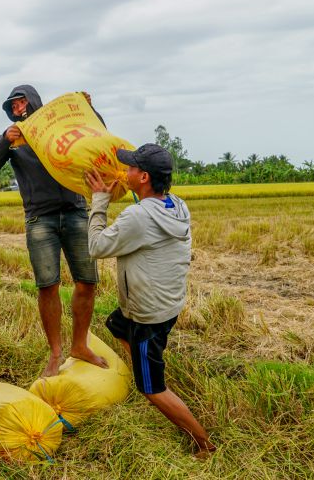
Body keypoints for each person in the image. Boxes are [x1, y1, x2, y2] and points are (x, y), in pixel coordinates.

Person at [85, 144, 216, 456]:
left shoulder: (138, 217)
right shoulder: (176, 205)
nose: (125, 171)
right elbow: (145, 214)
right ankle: (142, 368)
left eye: (130, 168)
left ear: (143, 176)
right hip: (167, 302)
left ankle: (204, 444)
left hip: (148, 314)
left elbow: (96, 246)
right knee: (115, 324)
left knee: (152, 389)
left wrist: (100, 201)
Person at [0, 85, 108, 376]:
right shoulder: (14, 138)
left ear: (34, 101)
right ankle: (55, 353)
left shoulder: (60, 127)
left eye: (21, 102)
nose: (17, 108)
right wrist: (5, 139)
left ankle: (80, 345)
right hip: (40, 218)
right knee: (48, 285)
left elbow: (97, 133)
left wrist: (90, 110)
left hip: (76, 211)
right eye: (12, 106)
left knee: (87, 281)